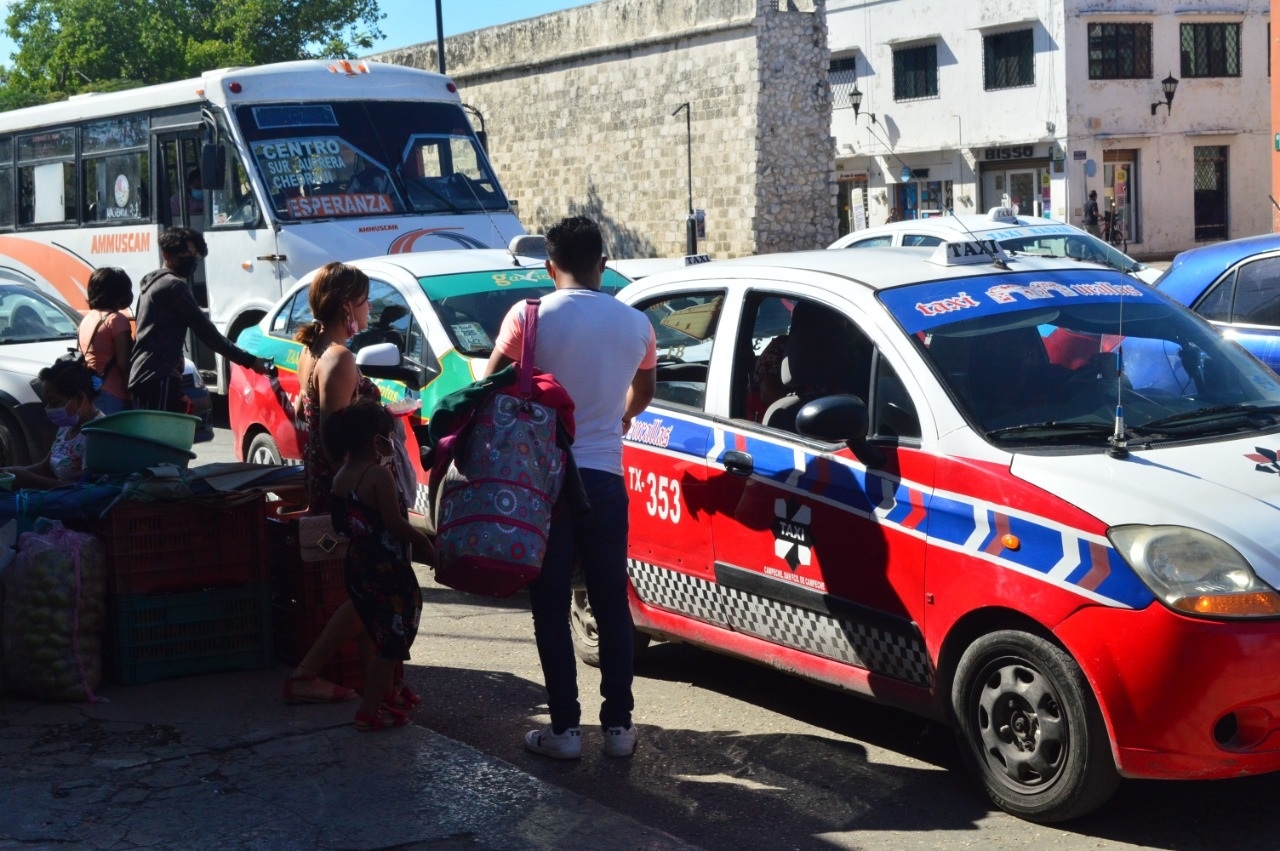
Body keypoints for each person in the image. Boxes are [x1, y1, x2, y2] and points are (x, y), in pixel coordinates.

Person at [484, 215, 656, 760]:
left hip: (544, 487)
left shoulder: (527, 315)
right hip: (606, 480)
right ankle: (620, 728)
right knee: (611, 604)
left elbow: (490, 388)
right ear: (602, 265)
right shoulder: (635, 324)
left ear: (550, 266)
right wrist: (619, 420)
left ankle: (564, 731)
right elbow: (645, 388)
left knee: (551, 605)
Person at [283, 261, 405, 706]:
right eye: (364, 300)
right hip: (352, 497)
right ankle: (306, 673)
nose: (371, 307)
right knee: (367, 594)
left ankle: (380, 686)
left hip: (337, 488)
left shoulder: (315, 350)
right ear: (346, 307)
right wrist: (364, 488)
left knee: (366, 591)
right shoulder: (339, 358)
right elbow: (336, 440)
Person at [325, 398, 433, 731]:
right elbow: (396, 524)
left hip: (358, 565)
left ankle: (382, 697)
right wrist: (428, 544)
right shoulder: (378, 476)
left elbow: (341, 525)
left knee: (375, 633)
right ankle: (368, 711)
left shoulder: (341, 476)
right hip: (387, 569)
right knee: (393, 639)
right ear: (377, 440)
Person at [128, 228, 270, 413]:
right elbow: (207, 333)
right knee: (161, 440)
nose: (192, 260)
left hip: (148, 377)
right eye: (186, 254)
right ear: (167, 255)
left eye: (195, 255)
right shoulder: (173, 286)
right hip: (158, 378)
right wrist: (249, 361)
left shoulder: (152, 282)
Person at [1, 358, 103, 488]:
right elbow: (45, 469)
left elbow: (85, 490)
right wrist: (11, 472)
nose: (49, 408)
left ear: (80, 398)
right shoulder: (66, 429)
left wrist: (29, 479)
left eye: (55, 402)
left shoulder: (97, 435)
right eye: (47, 402)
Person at [78, 267, 134, 415]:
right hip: (114, 394)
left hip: (94, 392)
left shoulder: (87, 319)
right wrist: (132, 394)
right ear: (117, 293)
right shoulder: (116, 320)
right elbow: (124, 363)